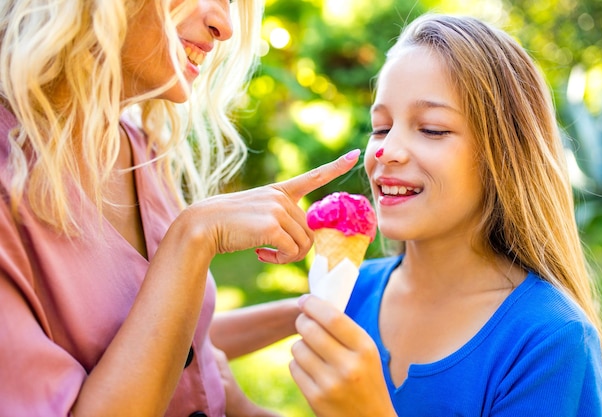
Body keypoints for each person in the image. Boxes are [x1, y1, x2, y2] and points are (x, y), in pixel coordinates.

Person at [0, 0, 361, 416]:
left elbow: (179, 342)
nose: (225, 25)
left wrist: (310, 308)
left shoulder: (138, 148)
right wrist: (194, 237)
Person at [290, 13, 602, 417]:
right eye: (381, 127)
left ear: (502, 157)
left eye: (431, 129)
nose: (386, 150)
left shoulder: (550, 340)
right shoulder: (351, 294)